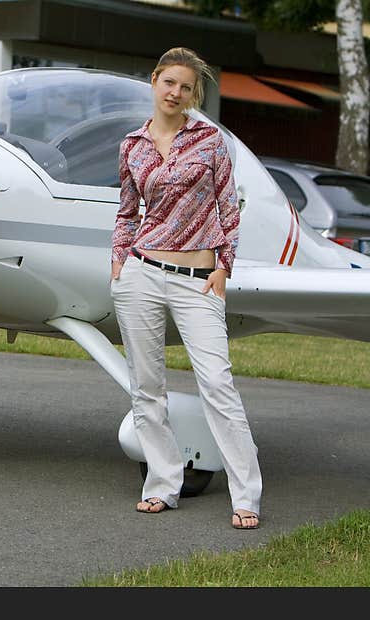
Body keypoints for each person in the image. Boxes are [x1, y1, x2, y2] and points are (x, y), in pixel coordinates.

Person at [109, 47, 262, 530]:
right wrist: (119, 261)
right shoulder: (132, 144)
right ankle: (162, 484)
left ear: (195, 94)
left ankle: (247, 497)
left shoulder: (211, 142)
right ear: (154, 81)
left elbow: (229, 208)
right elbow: (126, 210)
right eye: (169, 82)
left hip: (199, 279)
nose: (176, 93)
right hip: (141, 273)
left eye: (186, 87)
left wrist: (225, 266)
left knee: (218, 385)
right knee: (146, 387)